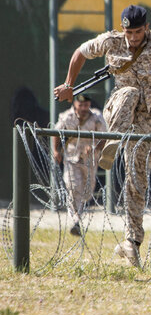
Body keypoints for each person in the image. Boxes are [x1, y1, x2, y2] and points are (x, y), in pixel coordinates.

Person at [53, 0, 151, 268]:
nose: (133, 38)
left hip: (147, 116)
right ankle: (112, 142)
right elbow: (80, 52)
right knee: (130, 92)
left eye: (138, 32)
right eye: (129, 33)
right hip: (118, 109)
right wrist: (69, 83)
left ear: (146, 28)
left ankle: (131, 242)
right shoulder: (112, 41)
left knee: (138, 178)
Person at [52, 94, 107, 237]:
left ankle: (78, 214)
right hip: (72, 158)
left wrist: (95, 148)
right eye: (80, 105)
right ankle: (75, 220)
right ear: (75, 104)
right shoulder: (66, 116)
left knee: (88, 191)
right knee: (73, 186)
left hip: (89, 159)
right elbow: (56, 133)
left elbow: (104, 137)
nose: (83, 108)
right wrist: (56, 150)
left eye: (86, 105)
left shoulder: (96, 117)